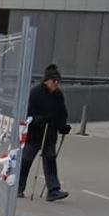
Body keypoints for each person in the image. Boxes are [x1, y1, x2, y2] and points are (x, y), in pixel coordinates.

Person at [18, 64, 71, 202]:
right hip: (34, 134)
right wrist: (39, 120)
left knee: (50, 161)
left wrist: (62, 126)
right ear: (48, 81)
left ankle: (53, 190)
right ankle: (18, 187)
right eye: (55, 82)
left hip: (49, 134)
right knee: (26, 160)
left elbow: (62, 113)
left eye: (58, 82)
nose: (57, 85)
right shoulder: (35, 93)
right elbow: (27, 115)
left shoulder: (58, 95)